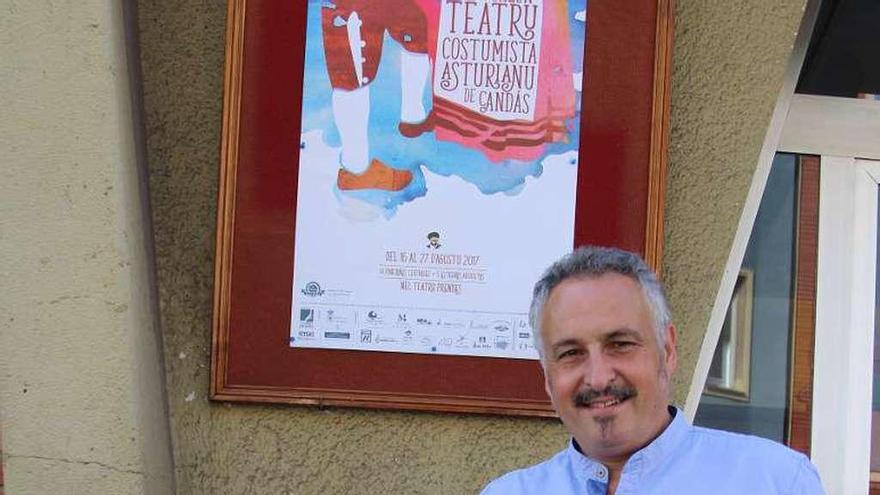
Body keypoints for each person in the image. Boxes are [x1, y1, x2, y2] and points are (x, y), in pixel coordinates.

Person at [481, 246, 825, 494]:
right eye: (571, 353)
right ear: (547, 376)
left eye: (620, 344)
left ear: (668, 349)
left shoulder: (773, 481)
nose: (599, 378)